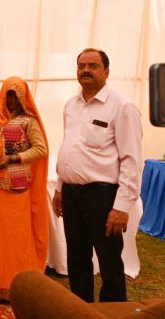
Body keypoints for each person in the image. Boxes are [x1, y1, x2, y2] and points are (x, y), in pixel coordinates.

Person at [53, 49, 142, 303]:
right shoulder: (71, 105)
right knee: (77, 259)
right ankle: (81, 309)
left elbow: (132, 160)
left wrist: (122, 207)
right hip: (72, 195)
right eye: (81, 66)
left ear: (106, 71)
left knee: (109, 262)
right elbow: (69, 147)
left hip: (102, 197)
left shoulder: (122, 107)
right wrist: (60, 188)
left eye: (93, 66)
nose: (86, 70)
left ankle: (113, 313)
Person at [0, 77, 48, 303]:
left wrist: (14, 158)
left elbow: (41, 149)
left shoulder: (28, 120)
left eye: (17, 96)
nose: (12, 100)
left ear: (24, 98)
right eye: (9, 95)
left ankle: (15, 286)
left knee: (14, 236)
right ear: (3, 94)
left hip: (17, 186)